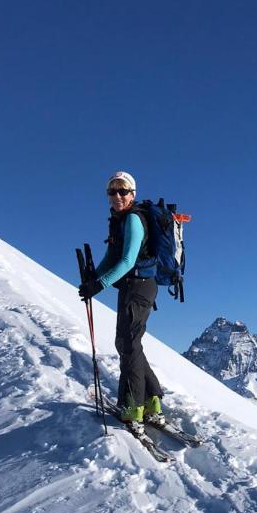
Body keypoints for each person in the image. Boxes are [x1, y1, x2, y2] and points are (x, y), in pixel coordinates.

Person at [78, 171, 164, 434]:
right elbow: (111, 256)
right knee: (129, 343)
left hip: (139, 286)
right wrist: (93, 277)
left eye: (123, 191)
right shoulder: (118, 221)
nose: (117, 196)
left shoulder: (134, 220)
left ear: (132, 194)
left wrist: (99, 284)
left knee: (128, 344)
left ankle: (134, 407)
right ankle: (152, 402)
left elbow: (127, 261)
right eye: (112, 191)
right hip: (130, 286)